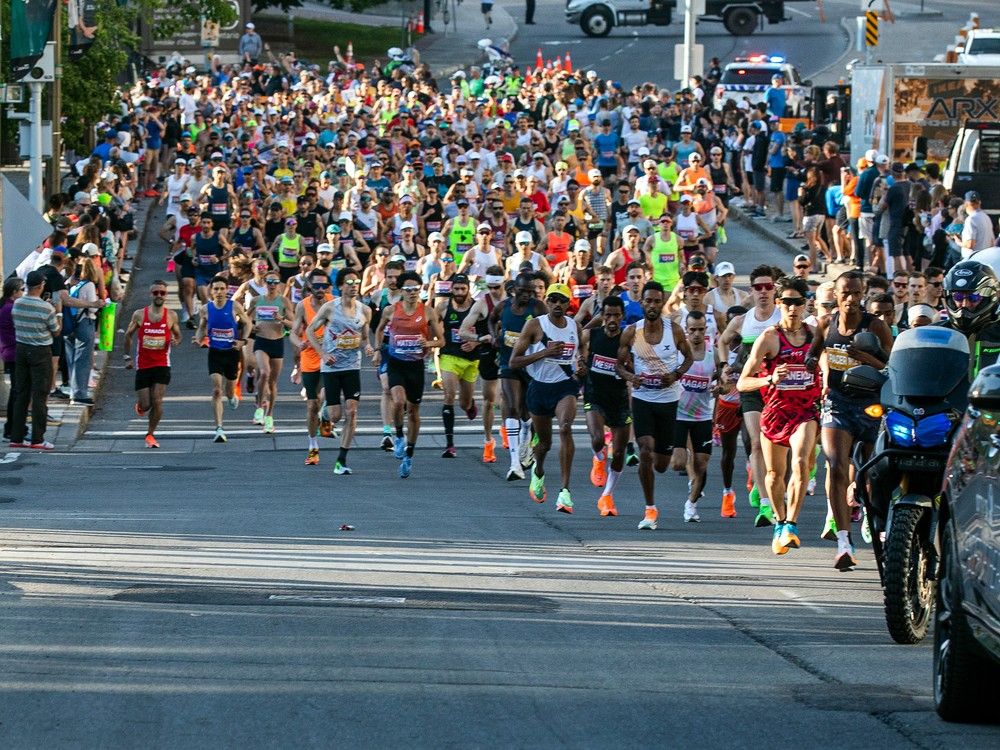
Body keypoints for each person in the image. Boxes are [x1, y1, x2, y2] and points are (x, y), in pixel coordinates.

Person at [808, 270, 893, 568]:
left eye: (857, 293)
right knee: (836, 465)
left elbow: (892, 366)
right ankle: (843, 541)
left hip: (870, 404)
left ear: (863, 294)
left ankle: (878, 524)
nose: (851, 299)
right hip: (838, 402)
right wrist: (808, 364)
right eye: (846, 293)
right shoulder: (825, 323)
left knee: (870, 474)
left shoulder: (877, 327)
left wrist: (866, 358)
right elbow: (814, 350)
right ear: (837, 295)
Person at [738, 276, 822, 557]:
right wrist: (769, 379)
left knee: (799, 461)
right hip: (775, 413)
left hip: (805, 412)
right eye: (786, 302)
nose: (792, 308)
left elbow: (829, 367)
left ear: (805, 305)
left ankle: (791, 525)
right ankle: (779, 522)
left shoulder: (814, 337)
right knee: (775, 474)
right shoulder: (769, 338)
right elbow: (742, 383)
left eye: (798, 303)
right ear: (778, 303)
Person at [617, 280, 693, 530]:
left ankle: (666, 458)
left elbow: (689, 358)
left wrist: (676, 375)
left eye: (656, 301)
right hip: (643, 401)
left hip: (669, 402)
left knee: (662, 464)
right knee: (645, 452)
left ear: (662, 303)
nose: (652, 305)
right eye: (648, 301)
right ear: (642, 303)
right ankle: (650, 509)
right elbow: (619, 364)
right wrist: (632, 377)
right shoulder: (632, 332)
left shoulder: (675, 331)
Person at [509, 283, 587, 513]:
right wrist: (544, 352)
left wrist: (581, 365)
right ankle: (539, 471)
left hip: (565, 387)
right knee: (544, 444)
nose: (557, 304)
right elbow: (514, 361)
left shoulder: (575, 326)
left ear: (568, 304)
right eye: (553, 299)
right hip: (539, 388)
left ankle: (565, 492)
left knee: (565, 428)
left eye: (562, 300)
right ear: (548, 302)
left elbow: (581, 352)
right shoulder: (535, 325)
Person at [718, 265, 782, 524]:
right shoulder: (743, 320)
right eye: (758, 287)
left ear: (775, 289)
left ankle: (766, 484)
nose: (764, 292)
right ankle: (766, 505)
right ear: (752, 291)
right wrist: (724, 366)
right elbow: (722, 341)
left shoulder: (782, 317)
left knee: (777, 445)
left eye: (768, 287)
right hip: (752, 388)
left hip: (780, 389)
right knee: (756, 442)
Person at [372, 270, 445, 479]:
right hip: (396, 363)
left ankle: (409, 455)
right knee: (398, 400)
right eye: (409, 289)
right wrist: (378, 350)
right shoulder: (390, 310)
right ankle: (398, 437)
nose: (413, 293)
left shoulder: (428, 312)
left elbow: (442, 341)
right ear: (401, 290)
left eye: (416, 289)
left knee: (413, 411)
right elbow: (378, 330)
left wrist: (428, 343)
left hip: (416, 367)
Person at [307, 267, 375, 475]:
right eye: (349, 283)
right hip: (332, 366)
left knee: (352, 412)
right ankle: (325, 412)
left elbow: (364, 337)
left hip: (352, 366)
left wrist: (369, 346)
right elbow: (310, 331)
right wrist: (323, 354)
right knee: (335, 416)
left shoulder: (365, 310)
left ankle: (341, 460)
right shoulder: (329, 308)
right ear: (340, 287)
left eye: (356, 283)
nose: (354, 287)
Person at [492, 273, 547, 480]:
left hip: (530, 365)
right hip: (509, 364)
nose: (526, 295)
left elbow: (550, 327)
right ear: (514, 289)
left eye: (530, 292)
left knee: (527, 412)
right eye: (523, 291)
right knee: (513, 407)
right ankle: (514, 463)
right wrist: (496, 337)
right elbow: (491, 320)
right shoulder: (503, 307)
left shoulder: (538, 307)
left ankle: (525, 439)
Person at [580, 295, 630, 516]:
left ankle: (607, 496)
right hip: (595, 395)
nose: (611, 319)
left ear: (622, 317)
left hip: (618, 399)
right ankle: (598, 459)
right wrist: (580, 364)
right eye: (607, 314)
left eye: (616, 315)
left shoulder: (628, 339)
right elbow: (576, 344)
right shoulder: (592, 335)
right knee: (599, 439)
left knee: (619, 452)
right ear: (602, 316)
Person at [122, 280, 182, 448]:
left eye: (162, 293)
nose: (159, 296)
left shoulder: (171, 316)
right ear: (151, 294)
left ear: (166, 295)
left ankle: (150, 434)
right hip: (143, 365)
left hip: (162, 364)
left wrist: (176, 341)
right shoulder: (140, 315)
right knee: (146, 404)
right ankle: (141, 406)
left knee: (157, 400)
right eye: (156, 293)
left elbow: (178, 335)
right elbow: (128, 335)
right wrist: (127, 357)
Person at [671, 310, 718, 522]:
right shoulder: (677, 353)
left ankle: (691, 504)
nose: (697, 334)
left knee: (702, 464)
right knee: (678, 464)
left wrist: (722, 388)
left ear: (705, 330)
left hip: (702, 417)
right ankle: (686, 456)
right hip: (679, 416)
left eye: (701, 330)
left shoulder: (713, 354)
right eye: (692, 330)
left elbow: (723, 380)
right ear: (686, 331)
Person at [196, 276, 252, 443]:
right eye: (216, 289)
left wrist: (243, 340)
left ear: (227, 290)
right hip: (215, 353)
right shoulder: (205, 309)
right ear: (211, 291)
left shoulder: (234, 306)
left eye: (222, 289)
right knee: (216, 390)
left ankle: (232, 396)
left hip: (231, 352)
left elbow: (247, 323)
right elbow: (201, 328)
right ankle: (219, 428)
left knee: (229, 390)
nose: (219, 292)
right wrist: (198, 338)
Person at [9, 271, 60, 450]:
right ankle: (37, 438)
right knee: (40, 394)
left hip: (21, 349)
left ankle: (16, 436)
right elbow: (55, 331)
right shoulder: (46, 308)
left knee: (21, 393)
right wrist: (58, 313)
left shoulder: (18, 304)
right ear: (40, 286)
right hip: (40, 350)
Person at [435, 273, 480, 457]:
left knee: (464, 402)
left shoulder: (477, 307)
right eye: (456, 289)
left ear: (468, 289)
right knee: (449, 395)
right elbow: (431, 324)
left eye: (463, 289)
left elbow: (487, 331)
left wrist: (475, 343)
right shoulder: (443, 307)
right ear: (450, 289)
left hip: (470, 359)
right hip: (449, 356)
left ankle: (470, 405)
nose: (459, 292)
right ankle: (449, 444)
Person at [293, 267, 334, 466]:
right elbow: (293, 332)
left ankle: (326, 416)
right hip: (309, 358)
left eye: (324, 285)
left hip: (331, 358)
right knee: (311, 405)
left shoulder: (334, 303)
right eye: (316, 285)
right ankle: (312, 447)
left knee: (326, 396)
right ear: (309, 286)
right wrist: (297, 342)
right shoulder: (303, 306)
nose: (320, 289)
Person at [247, 272, 294, 433]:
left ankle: (269, 416)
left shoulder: (283, 301)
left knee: (273, 383)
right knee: (264, 373)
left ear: (279, 284)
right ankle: (259, 407)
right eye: (269, 281)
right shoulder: (256, 300)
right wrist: (251, 327)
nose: (272, 285)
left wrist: (281, 319)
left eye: (275, 282)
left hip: (277, 342)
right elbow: (244, 319)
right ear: (265, 283)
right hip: (261, 341)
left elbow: (293, 324)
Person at [938, 260, 1000, 379]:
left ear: (989, 297)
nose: (965, 304)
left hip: (990, 395)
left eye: (974, 297)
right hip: (944, 397)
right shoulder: (937, 333)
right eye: (958, 297)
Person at [960, 191, 996, 259]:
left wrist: (958, 242)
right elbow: (992, 242)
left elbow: (970, 244)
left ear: (966, 203)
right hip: (984, 258)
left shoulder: (971, 219)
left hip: (971, 259)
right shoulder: (986, 217)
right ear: (979, 202)